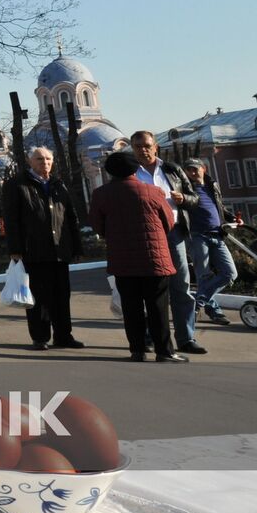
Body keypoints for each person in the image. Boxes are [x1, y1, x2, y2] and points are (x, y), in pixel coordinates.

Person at [90, 151, 182, 361]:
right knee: (158, 306)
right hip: (154, 259)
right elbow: (168, 221)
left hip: (122, 260)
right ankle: (164, 351)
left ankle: (137, 350)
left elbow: (97, 225)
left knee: (131, 307)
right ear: (134, 169)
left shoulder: (101, 194)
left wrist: (112, 234)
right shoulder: (152, 191)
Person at [1, 146, 85, 351]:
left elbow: (71, 217)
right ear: (30, 161)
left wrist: (76, 247)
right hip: (33, 251)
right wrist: (15, 248)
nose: (44, 162)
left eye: (48, 158)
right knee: (39, 297)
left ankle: (64, 336)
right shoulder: (17, 185)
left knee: (62, 296)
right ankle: (40, 337)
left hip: (59, 251)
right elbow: (11, 219)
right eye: (39, 158)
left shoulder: (58, 185)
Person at [130, 130, 205, 355]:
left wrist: (184, 199)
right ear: (132, 149)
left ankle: (185, 338)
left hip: (174, 233)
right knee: (150, 289)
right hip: (145, 236)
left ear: (156, 147)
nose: (143, 149)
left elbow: (194, 198)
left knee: (181, 285)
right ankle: (151, 336)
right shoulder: (131, 173)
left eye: (146, 145)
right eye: (137, 146)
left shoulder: (171, 170)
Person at [182, 158, 238, 326]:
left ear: (203, 169)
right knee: (204, 276)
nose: (192, 173)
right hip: (197, 236)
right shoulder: (185, 188)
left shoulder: (212, 185)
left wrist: (231, 217)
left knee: (230, 274)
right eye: (188, 170)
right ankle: (214, 310)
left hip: (218, 235)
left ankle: (198, 302)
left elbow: (219, 206)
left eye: (194, 169)